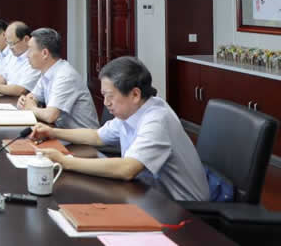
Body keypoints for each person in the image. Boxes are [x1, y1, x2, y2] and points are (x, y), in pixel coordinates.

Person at [30, 56, 210, 202]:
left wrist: (65, 162)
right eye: (104, 96)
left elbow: (127, 168)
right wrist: (53, 132)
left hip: (183, 210)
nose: (106, 103)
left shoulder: (157, 119)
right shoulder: (133, 110)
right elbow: (96, 136)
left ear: (135, 94)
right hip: (148, 193)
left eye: (110, 96)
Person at [17, 28, 98, 129]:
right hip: (61, 131)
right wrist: (26, 102)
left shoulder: (65, 76)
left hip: (82, 137)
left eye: (30, 50)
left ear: (45, 53)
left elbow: (50, 116)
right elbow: (32, 97)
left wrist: (30, 108)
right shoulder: (47, 72)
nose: (27, 55)